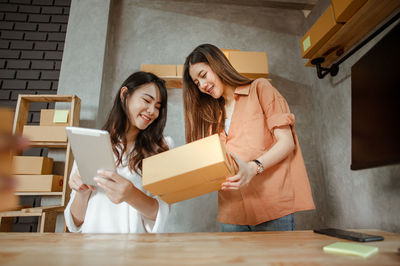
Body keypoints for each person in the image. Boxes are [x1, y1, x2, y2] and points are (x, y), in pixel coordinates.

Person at [182, 44, 315, 232]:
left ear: (218, 64)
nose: (202, 86)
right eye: (196, 83)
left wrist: (253, 167)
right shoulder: (211, 117)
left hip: (271, 206)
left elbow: (286, 143)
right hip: (232, 213)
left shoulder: (259, 89)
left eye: (203, 75)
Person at [64, 71, 172, 233]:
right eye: (146, 100)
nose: (152, 111)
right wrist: (82, 191)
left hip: (138, 252)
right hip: (92, 250)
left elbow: (162, 213)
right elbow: (75, 223)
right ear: (125, 95)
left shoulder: (162, 146)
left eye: (157, 107)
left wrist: (130, 195)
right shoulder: (91, 143)